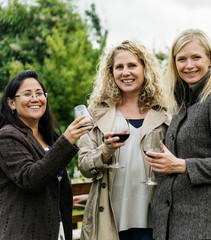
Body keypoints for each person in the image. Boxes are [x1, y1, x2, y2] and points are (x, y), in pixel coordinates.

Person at [145, 29, 211, 240]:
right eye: (181, 59)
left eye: (196, 57)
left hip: (205, 228)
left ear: (209, 60)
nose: (189, 65)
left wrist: (181, 166)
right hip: (173, 225)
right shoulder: (182, 103)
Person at [77, 40, 170, 240]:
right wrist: (105, 152)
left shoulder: (165, 114)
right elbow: (84, 166)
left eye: (132, 65)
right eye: (119, 67)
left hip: (153, 219)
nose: (125, 72)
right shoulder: (95, 114)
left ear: (145, 69)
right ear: (111, 73)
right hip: (109, 220)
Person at [0, 70, 91, 240]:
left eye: (39, 93)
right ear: (11, 103)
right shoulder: (6, 137)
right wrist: (67, 139)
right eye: (27, 94)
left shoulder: (48, 136)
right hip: (24, 233)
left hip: (57, 229)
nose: (35, 99)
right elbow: (31, 179)